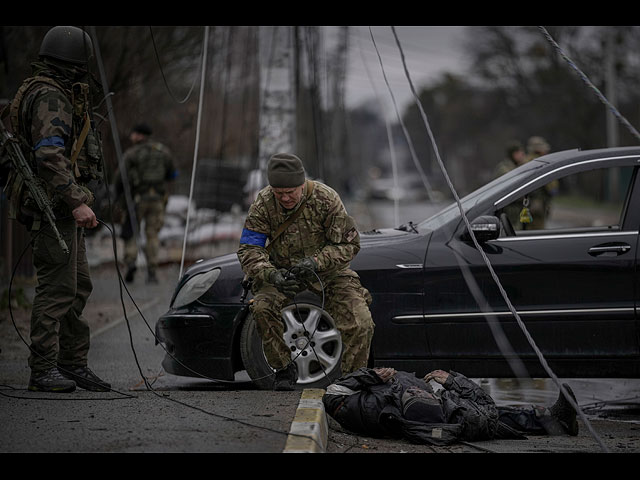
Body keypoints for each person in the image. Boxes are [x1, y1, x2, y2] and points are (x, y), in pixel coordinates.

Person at [3, 26, 110, 392]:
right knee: (57, 289)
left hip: (59, 206)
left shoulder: (47, 89)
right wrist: (76, 201)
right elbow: (49, 156)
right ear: (78, 62)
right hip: (53, 205)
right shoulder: (50, 96)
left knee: (78, 285)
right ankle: (44, 368)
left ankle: (72, 363)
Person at [237, 153, 375, 391]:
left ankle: (351, 382)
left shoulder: (326, 198)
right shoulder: (263, 203)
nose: (285, 197)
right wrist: (270, 274)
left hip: (328, 273)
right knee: (261, 308)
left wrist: (316, 262)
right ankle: (282, 368)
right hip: (282, 274)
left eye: (291, 191)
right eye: (279, 193)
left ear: (302, 184)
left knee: (361, 322)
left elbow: (349, 245)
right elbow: (249, 248)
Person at [323, 367, 579, 446]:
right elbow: (484, 406)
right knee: (489, 416)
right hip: (459, 418)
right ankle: (555, 421)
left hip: (436, 412)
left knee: (491, 416)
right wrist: (454, 382)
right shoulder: (430, 415)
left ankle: (552, 419)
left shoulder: (372, 402)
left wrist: (374, 377)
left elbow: (334, 393)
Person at [117, 123, 176, 284]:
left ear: (139, 135)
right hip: (157, 200)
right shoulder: (163, 151)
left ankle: (130, 262)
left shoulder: (131, 154)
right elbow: (173, 174)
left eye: (133, 134)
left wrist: (118, 197)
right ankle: (152, 271)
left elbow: (119, 178)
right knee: (153, 235)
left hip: (136, 199)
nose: (131, 137)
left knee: (132, 232)